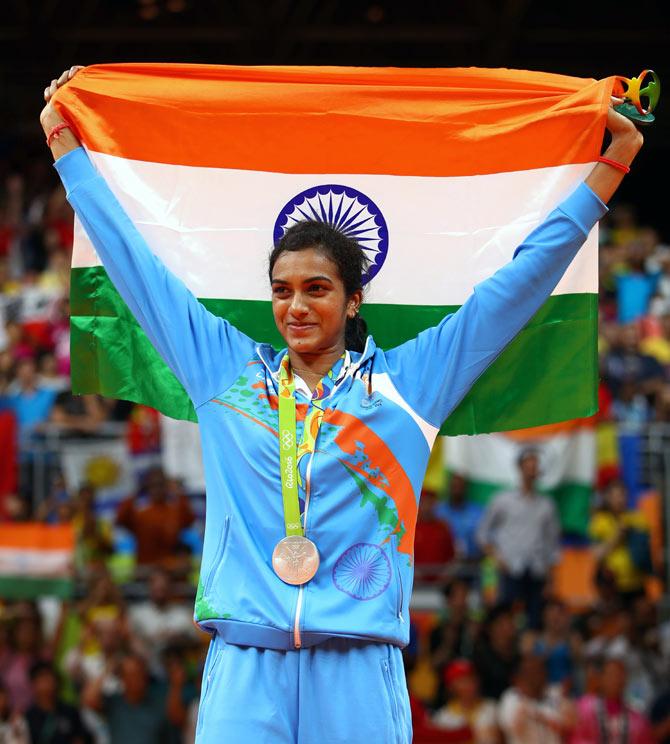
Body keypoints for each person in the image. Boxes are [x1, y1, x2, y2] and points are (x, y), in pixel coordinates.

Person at [41, 65, 643, 743]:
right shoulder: (223, 371)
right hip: (245, 661)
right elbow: (135, 265)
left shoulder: (410, 385)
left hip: (359, 665)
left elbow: (517, 286)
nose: (295, 306)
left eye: (317, 289)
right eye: (281, 290)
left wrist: (608, 171)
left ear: (353, 299)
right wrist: (68, 149)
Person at [477, 449, 560, 630]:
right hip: (510, 570)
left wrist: (550, 578)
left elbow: (552, 545)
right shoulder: (502, 500)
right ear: (520, 467)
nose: (531, 469)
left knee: (534, 622)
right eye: (528, 464)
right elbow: (482, 534)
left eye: (535, 465)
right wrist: (497, 558)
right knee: (505, 619)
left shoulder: (547, 506)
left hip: (536, 571)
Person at [116, 466, 195, 567]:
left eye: (161, 485)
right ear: (147, 487)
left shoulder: (175, 510)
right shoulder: (140, 513)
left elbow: (190, 519)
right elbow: (120, 520)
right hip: (145, 567)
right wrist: (136, 492)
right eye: (153, 485)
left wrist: (177, 491)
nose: (157, 489)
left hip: (171, 567)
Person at [589, 479, 651, 602]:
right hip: (613, 586)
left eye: (623, 495)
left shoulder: (638, 518)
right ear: (607, 497)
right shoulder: (599, 521)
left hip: (637, 582)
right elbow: (597, 555)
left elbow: (646, 548)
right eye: (616, 496)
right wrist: (617, 536)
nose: (620, 499)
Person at [570, 657, 653, 744]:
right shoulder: (584, 707)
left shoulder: (638, 721)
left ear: (625, 681)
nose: (615, 680)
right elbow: (576, 738)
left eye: (619, 675)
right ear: (601, 679)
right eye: (611, 674)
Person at [498, 654, 574, 744]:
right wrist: (526, 700)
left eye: (540, 671)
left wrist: (565, 700)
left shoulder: (554, 693)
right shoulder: (511, 697)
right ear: (520, 676)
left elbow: (571, 723)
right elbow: (512, 726)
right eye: (531, 673)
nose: (537, 677)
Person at [24, 662, 91, 744]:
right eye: (43, 679)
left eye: (51, 678)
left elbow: (81, 738)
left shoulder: (70, 712)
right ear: (33, 684)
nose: (48, 683)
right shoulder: (28, 718)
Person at [432, 660, 498, 744]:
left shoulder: (492, 708)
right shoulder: (443, 717)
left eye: (471, 678)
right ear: (451, 686)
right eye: (462, 680)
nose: (469, 684)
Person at [435, 473, 484, 561]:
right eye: (454, 486)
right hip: (442, 564)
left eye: (460, 486)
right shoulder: (438, 511)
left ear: (466, 488)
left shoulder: (477, 512)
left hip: (470, 564)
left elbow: (483, 538)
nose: (457, 490)